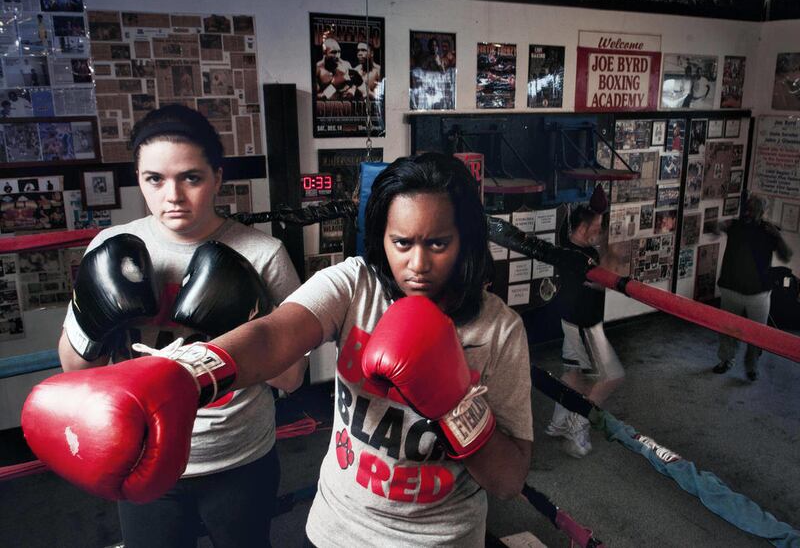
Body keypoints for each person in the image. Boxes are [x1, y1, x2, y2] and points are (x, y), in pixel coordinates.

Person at [28, 153, 540, 547]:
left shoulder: (501, 331)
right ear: (381, 239)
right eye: (402, 242)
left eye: (438, 243)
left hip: (443, 540)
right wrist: (189, 374)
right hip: (336, 530)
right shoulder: (355, 284)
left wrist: (455, 404)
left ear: (466, 240)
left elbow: (508, 479)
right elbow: (276, 335)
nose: (418, 264)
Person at [55, 104, 305, 548]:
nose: (173, 195)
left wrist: (247, 321)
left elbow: (292, 377)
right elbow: (74, 368)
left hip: (237, 457)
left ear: (217, 178)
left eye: (190, 177)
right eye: (155, 179)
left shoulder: (263, 253)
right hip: (140, 455)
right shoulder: (111, 248)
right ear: (140, 180)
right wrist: (96, 317)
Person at [546, 199, 625, 458]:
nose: (600, 230)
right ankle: (578, 423)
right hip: (584, 325)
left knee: (573, 374)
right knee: (611, 377)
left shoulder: (573, 246)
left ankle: (558, 423)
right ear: (583, 226)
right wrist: (612, 252)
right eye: (597, 225)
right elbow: (607, 280)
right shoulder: (581, 257)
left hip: (573, 320)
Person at [712, 194, 792, 381]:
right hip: (732, 289)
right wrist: (721, 224)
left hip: (758, 293)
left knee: (757, 334)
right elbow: (715, 229)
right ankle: (727, 361)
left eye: (755, 209)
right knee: (727, 329)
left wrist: (777, 235)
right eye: (749, 208)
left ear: (762, 212)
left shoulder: (768, 231)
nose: (751, 212)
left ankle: (751, 367)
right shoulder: (736, 225)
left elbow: (786, 255)